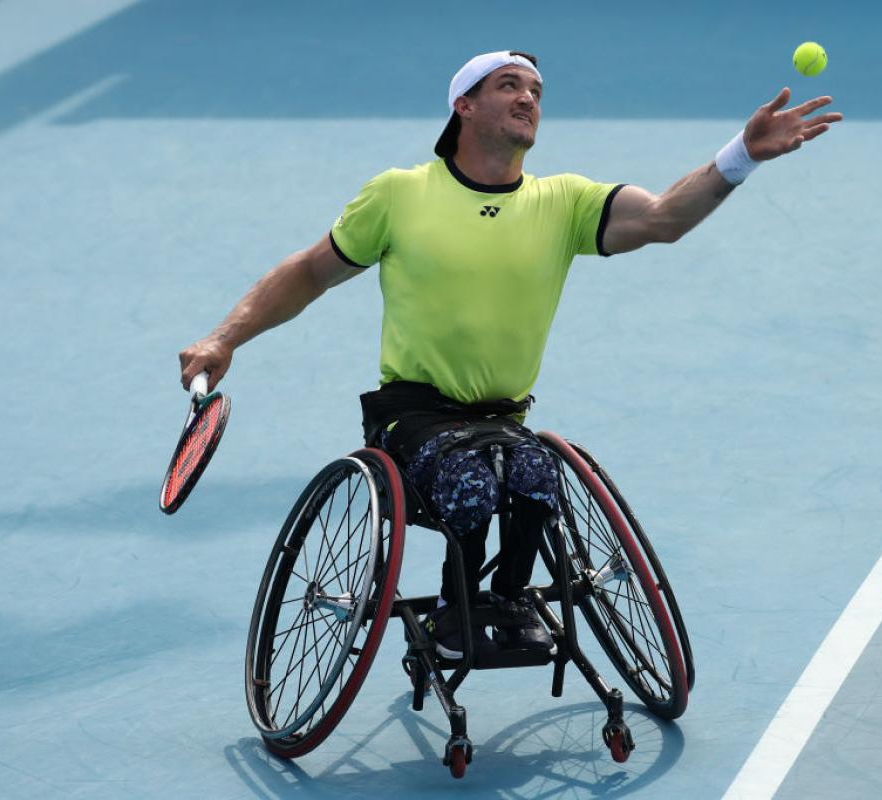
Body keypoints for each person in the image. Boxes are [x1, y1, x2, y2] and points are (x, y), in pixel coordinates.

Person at [178, 50, 842, 661]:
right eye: (509, 85)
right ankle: (453, 611)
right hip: (411, 420)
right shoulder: (400, 194)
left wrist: (739, 158)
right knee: (471, 479)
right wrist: (224, 338)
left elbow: (665, 218)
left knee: (536, 471)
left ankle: (506, 598)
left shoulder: (565, 203)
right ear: (463, 105)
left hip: (504, 421)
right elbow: (309, 273)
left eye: (536, 89)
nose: (528, 97)